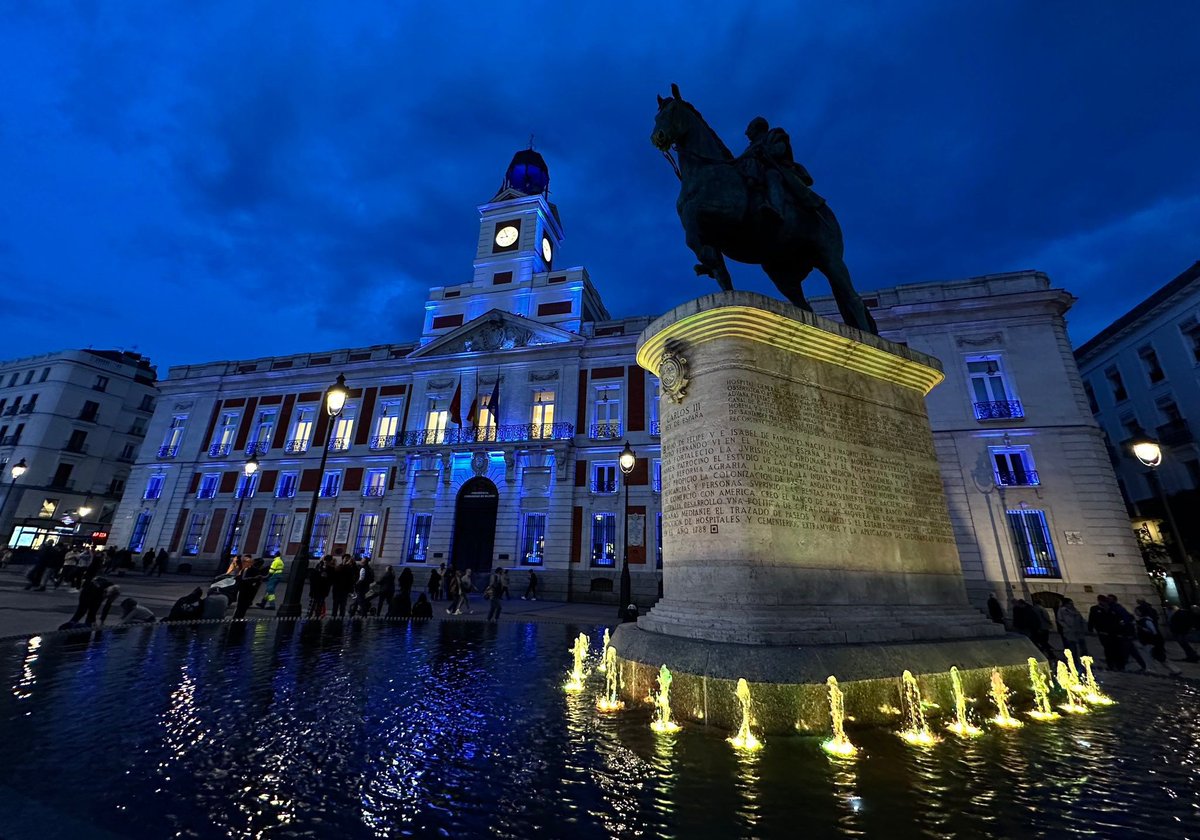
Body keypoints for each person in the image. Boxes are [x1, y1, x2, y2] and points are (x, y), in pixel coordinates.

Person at [1136, 602, 1182, 676]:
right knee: (1154, 657)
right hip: (1149, 641)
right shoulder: (1144, 620)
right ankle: (1152, 669)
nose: (1136, 612)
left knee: (1156, 657)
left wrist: (1143, 629)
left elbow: (1153, 631)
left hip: (1151, 641)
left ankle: (1174, 669)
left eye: (1137, 611)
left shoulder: (1146, 620)